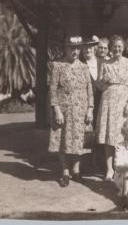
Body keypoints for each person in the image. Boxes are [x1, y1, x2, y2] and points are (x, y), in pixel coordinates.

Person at [48, 35, 94, 187]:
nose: (75, 51)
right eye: (71, 48)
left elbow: (90, 91)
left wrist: (90, 109)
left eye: (77, 48)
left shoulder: (84, 67)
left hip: (81, 111)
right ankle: (65, 172)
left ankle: (76, 171)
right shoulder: (58, 65)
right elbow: (53, 90)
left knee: (79, 141)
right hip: (64, 110)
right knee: (63, 141)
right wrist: (57, 110)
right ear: (66, 49)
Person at [97, 35, 128, 181]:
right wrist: (105, 83)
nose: (117, 49)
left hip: (123, 101)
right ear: (111, 48)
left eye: (120, 46)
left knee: (122, 136)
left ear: (123, 48)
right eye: (114, 47)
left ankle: (120, 167)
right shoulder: (105, 64)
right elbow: (99, 84)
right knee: (108, 136)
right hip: (108, 101)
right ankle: (109, 169)